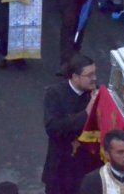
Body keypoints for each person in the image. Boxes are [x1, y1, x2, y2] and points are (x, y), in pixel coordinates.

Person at [43, 55, 99, 194]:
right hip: (60, 167)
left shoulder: (95, 94)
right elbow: (53, 128)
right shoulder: (54, 93)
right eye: (89, 75)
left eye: (95, 73)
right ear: (75, 77)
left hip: (84, 168)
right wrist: (86, 114)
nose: (94, 78)